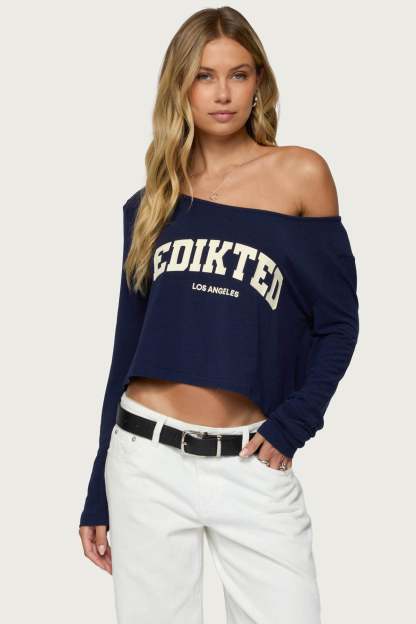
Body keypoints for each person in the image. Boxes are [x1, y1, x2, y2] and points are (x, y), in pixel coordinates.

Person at [79, 7, 359, 624]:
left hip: (250, 462)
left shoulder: (300, 174)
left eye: (238, 74)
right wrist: (98, 484)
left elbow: (339, 323)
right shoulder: (151, 201)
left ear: (259, 82)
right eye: (204, 76)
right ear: (180, 86)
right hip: (144, 460)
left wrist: (294, 424)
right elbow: (127, 348)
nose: (223, 93)